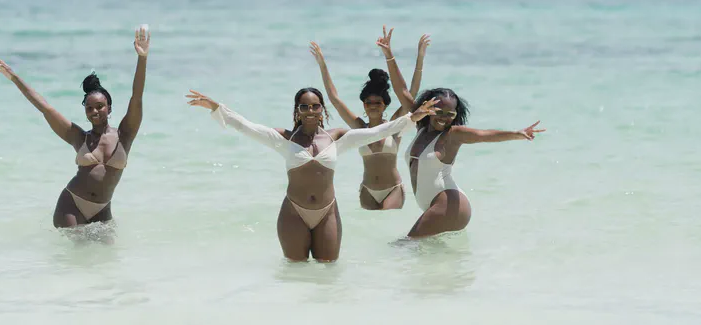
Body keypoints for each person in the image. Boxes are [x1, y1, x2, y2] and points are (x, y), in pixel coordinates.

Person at [186, 86, 439, 261]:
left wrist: (412, 117)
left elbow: (378, 132)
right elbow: (245, 126)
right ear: (297, 110)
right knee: (296, 275)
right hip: (293, 212)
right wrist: (216, 107)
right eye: (304, 106)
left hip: (327, 211)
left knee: (328, 273)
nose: (310, 111)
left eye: (315, 107)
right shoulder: (283, 139)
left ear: (322, 110)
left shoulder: (338, 138)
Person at [376, 26, 545, 238]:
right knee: (433, 264)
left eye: (450, 114)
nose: (444, 118)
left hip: (448, 204)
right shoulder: (421, 125)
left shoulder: (453, 135)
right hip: (437, 207)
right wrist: (389, 55)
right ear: (429, 108)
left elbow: (485, 135)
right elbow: (402, 91)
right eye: (439, 111)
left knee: (404, 248)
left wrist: (517, 133)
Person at [0, 25, 150, 230]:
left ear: (109, 108)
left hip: (103, 208)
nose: (95, 111)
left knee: (106, 260)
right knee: (78, 258)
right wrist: (15, 78)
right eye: (89, 108)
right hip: (72, 206)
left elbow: (136, 97)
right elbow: (45, 108)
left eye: (100, 106)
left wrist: (142, 58)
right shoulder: (79, 137)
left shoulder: (125, 134)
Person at [309, 35, 429, 210]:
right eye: (368, 103)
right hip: (367, 190)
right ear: (364, 106)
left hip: (392, 190)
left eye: (377, 103)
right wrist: (322, 64)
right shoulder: (359, 128)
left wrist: (420, 58)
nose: (373, 106)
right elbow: (334, 99)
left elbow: (411, 93)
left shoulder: (394, 126)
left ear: (384, 105)